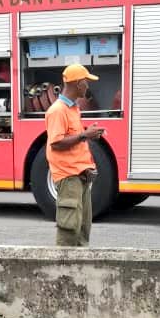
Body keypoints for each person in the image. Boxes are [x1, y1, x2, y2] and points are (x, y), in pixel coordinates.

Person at [45, 63, 104, 247]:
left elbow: (73, 141)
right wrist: (84, 135)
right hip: (68, 177)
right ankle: (63, 272)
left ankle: (78, 271)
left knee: (82, 229)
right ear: (78, 84)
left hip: (79, 176)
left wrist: (87, 135)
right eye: (86, 82)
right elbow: (56, 143)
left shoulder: (72, 108)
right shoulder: (58, 110)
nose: (88, 86)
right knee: (69, 232)